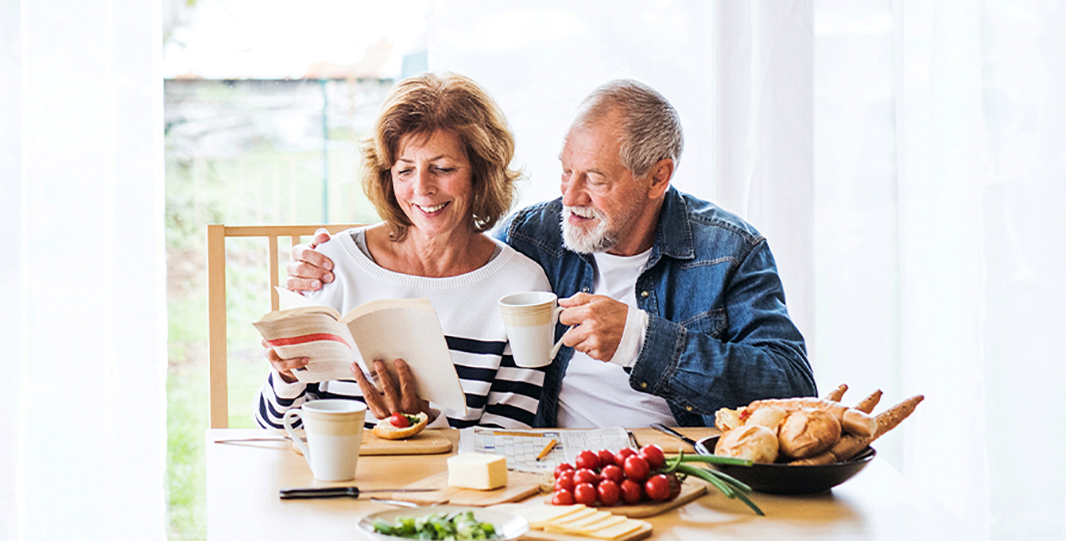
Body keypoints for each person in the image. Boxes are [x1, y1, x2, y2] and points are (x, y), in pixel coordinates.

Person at [285, 79, 816, 428]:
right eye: (566, 171)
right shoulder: (537, 235)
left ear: (659, 176)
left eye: (596, 179)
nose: (571, 196)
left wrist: (639, 339)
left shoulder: (729, 250)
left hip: (681, 465)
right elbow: (443, 265)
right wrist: (332, 261)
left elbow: (793, 388)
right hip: (549, 465)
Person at [255, 72, 551, 431]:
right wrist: (286, 378)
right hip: (341, 479)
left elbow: (509, 436)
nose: (422, 189)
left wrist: (422, 426)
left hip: (451, 485)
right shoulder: (332, 265)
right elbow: (273, 426)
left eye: (442, 169)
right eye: (405, 170)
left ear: (481, 172)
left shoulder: (521, 286)